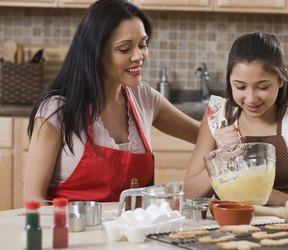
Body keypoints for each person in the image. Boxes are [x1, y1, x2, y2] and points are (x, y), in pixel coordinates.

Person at [24, 0, 199, 203]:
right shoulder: (57, 110)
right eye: (125, 49)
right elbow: (33, 200)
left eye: (142, 45)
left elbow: (202, 135)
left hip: (132, 233)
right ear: (96, 52)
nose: (138, 56)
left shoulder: (144, 98)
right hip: (73, 232)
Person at [184, 31, 288, 206]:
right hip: (230, 228)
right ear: (229, 81)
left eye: (262, 87)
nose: (251, 98)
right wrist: (220, 160)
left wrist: (259, 194)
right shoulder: (217, 116)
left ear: (280, 79)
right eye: (240, 86)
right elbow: (188, 195)